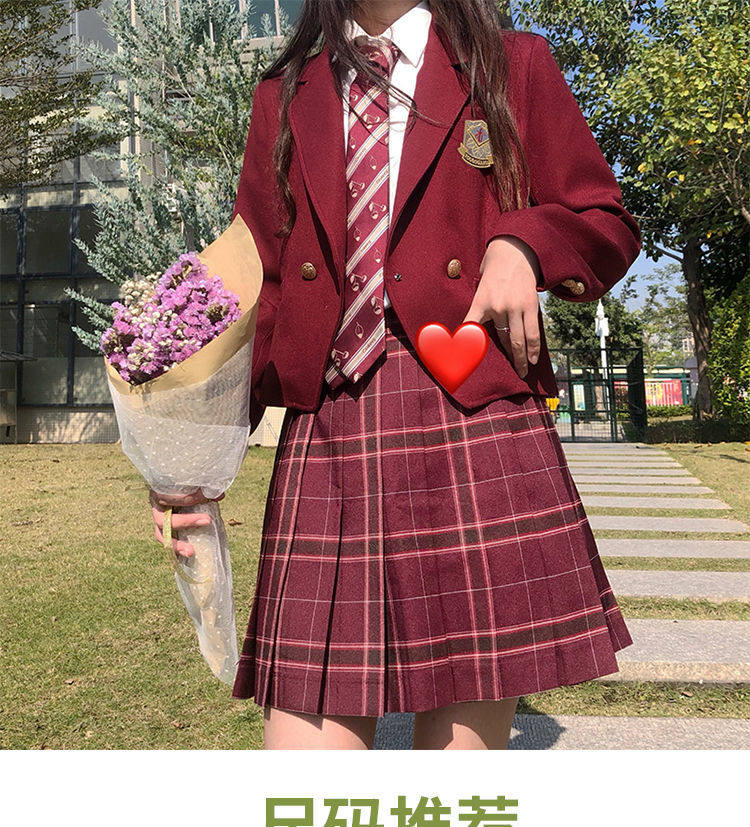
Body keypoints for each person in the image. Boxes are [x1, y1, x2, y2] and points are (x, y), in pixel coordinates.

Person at [150, 0, 641, 750]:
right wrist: (193, 459)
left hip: (472, 421)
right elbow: (262, 288)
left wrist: (525, 242)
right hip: (329, 432)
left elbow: (603, 217)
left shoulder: (511, 65)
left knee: (452, 779)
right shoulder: (284, 94)